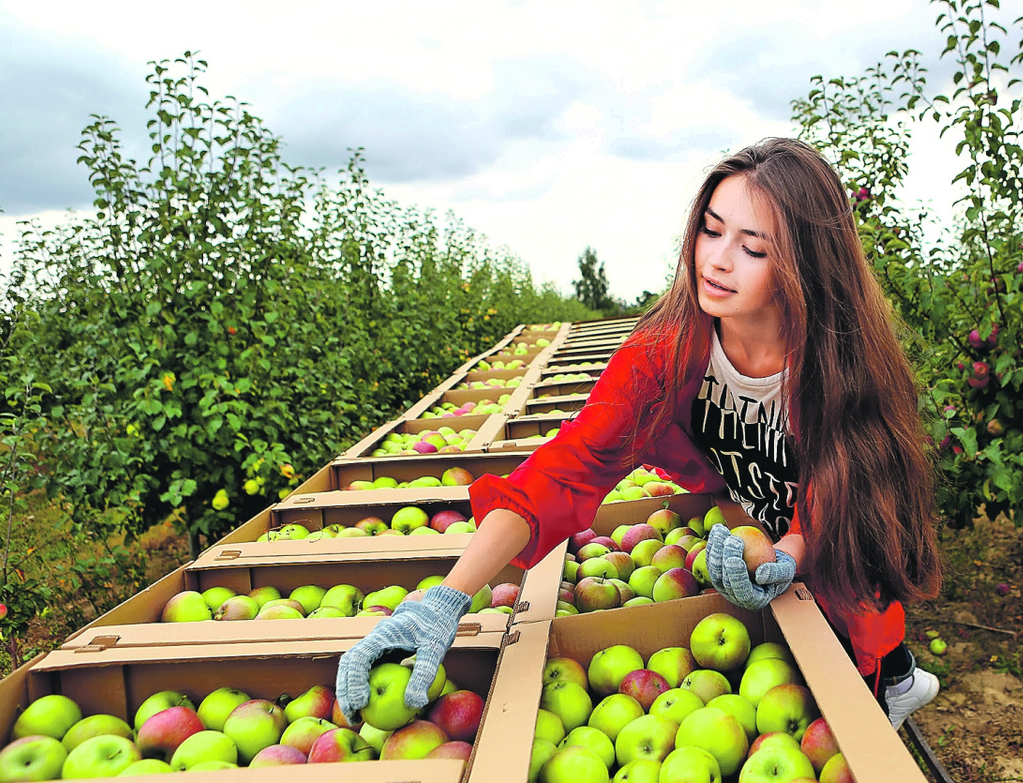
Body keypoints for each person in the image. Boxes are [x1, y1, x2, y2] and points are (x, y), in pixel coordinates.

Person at [335, 137, 943, 731]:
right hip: (762, 521)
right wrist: (446, 599)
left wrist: (794, 552)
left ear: (803, 265)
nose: (717, 259)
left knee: (857, 648)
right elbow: (571, 463)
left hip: (838, 539)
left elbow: (844, 492)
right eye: (711, 229)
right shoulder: (671, 348)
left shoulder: (837, 365)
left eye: (752, 247)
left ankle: (893, 679)